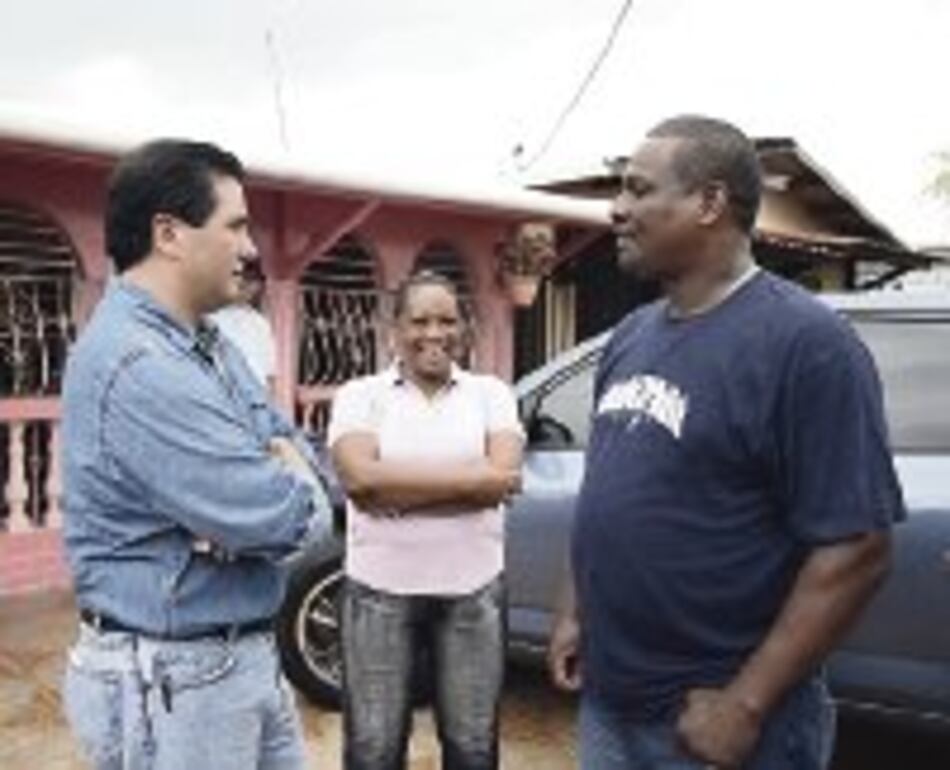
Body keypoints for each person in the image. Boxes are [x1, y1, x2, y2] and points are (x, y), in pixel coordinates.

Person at [547, 116, 905, 770]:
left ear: (710, 203)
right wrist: (574, 613)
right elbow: (607, 489)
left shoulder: (807, 346)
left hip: (715, 716)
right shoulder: (630, 336)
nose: (617, 209)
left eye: (638, 189)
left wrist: (746, 703)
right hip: (611, 702)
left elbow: (857, 548)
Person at [60, 139, 331, 770]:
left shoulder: (207, 343)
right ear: (169, 233)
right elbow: (284, 516)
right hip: (176, 681)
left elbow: (298, 461)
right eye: (235, 225)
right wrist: (267, 481)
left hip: (231, 664)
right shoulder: (140, 364)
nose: (250, 248)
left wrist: (264, 480)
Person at [328, 269, 524, 770]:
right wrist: (471, 484)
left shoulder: (491, 394)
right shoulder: (359, 394)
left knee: (473, 747)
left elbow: (503, 478)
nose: (434, 334)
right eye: (419, 321)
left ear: (464, 328)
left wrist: (395, 493)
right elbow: (359, 481)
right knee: (373, 750)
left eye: (446, 320)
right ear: (394, 329)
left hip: (473, 592)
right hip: (377, 594)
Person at [210, 265, 278, 394]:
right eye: (242, 280)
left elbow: (270, 373)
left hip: (255, 396)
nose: (247, 287)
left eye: (253, 282)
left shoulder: (259, 322)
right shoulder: (211, 317)